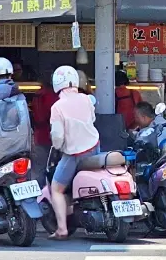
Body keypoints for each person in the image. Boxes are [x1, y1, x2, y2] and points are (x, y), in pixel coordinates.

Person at [47, 65, 100, 240]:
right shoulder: (87, 99)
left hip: (74, 154)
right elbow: (92, 119)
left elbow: (57, 136)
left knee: (56, 189)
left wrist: (58, 145)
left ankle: (62, 229)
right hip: (95, 147)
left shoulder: (57, 107)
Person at [30, 71, 58, 183]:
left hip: (38, 136)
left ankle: (37, 190)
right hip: (50, 136)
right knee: (54, 168)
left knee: (38, 169)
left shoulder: (37, 95)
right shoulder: (52, 96)